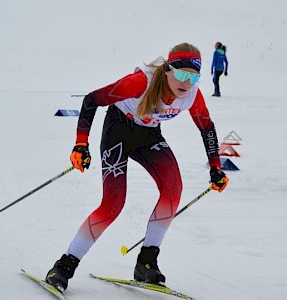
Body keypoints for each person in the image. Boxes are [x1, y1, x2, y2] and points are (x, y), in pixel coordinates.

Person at [45, 42, 229, 292]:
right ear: (168, 70)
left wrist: (215, 167)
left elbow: (207, 127)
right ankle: (64, 266)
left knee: (173, 189)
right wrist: (80, 144)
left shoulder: (192, 95)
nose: (187, 82)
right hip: (118, 132)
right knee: (112, 205)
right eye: (182, 74)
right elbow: (92, 100)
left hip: (148, 136)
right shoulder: (140, 83)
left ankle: (146, 263)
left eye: (194, 76)